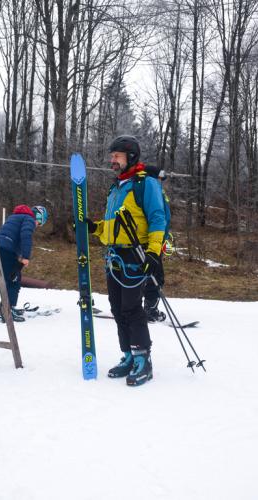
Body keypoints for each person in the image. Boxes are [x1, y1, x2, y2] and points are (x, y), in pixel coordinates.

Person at [86, 135, 166, 386]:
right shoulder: (117, 187)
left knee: (132, 308)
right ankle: (128, 355)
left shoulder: (146, 184)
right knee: (117, 308)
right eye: (112, 156)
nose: (112, 160)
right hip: (114, 256)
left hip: (136, 256)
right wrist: (95, 228)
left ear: (130, 156)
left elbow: (157, 219)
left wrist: (154, 252)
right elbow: (113, 227)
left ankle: (144, 359)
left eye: (117, 156)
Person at [0, 204, 48, 321]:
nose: (37, 226)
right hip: (7, 249)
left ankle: (6, 307)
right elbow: (26, 236)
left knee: (10, 278)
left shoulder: (15, 217)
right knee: (14, 279)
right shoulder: (29, 219)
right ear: (38, 217)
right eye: (39, 223)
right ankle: (7, 310)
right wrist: (25, 256)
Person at [142, 166, 171, 323]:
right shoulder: (151, 190)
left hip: (158, 241)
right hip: (149, 242)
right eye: (160, 179)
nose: (161, 182)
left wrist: (165, 236)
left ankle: (147, 307)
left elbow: (164, 217)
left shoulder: (159, 192)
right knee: (155, 276)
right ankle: (149, 310)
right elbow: (155, 217)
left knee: (153, 275)